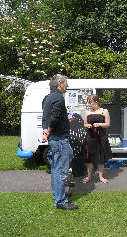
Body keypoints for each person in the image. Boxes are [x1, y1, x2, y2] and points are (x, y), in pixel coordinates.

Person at [42, 74, 78, 210]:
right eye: (66, 83)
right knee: (61, 171)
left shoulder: (47, 98)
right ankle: (61, 201)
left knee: (59, 165)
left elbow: (46, 117)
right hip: (59, 139)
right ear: (60, 83)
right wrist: (49, 130)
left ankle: (57, 195)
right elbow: (54, 117)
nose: (67, 86)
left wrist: (45, 131)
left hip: (56, 139)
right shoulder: (58, 97)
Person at [82, 94, 112, 183]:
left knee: (100, 158)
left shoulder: (104, 111)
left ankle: (101, 177)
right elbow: (85, 124)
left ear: (96, 102)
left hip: (101, 137)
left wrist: (99, 124)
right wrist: (89, 126)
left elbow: (107, 124)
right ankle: (89, 176)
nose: (89, 105)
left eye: (90, 102)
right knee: (89, 158)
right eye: (88, 103)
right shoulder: (87, 112)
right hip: (90, 137)